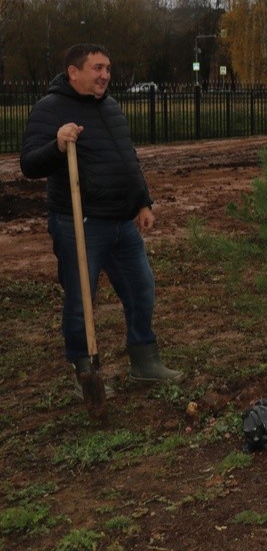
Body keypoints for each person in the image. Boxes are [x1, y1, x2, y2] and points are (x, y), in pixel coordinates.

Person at [19, 43, 183, 395]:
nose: (105, 75)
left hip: (122, 222)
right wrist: (57, 145)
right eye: (97, 68)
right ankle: (86, 372)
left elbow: (127, 157)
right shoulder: (50, 109)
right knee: (81, 300)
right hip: (79, 223)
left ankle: (144, 360)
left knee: (141, 289)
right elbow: (29, 164)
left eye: (108, 68)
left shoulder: (110, 107)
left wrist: (142, 203)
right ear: (73, 73)